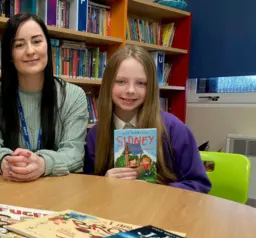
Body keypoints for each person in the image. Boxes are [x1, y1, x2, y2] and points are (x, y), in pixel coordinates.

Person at [0, 13, 89, 182]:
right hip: (9, 187)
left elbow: (74, 153)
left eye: (36, 41)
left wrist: (42, 164)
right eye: (19, 45)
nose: (30, 51)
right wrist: (6, 162)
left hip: (58, 190)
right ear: (10, 55)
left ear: (47, 46)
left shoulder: (73, 95)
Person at [84, 45, 211, 193]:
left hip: (164, 211)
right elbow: (89, 187)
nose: (130, 90)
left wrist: (158, 191)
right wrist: (103, 183)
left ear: (150, 87)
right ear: (108, 85)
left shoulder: (174, 129)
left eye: (140, 83)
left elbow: (199, 185)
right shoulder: (96, 135)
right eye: (121, 81)